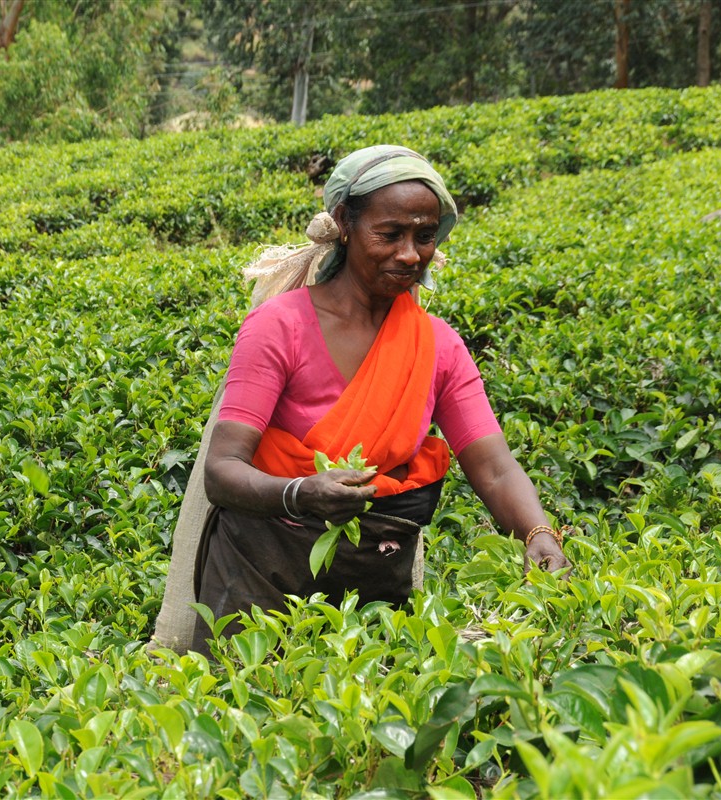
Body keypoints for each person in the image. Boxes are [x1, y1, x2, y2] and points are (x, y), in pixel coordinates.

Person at [190, 145, 571, 654]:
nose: (410, 253)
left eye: (424, 236)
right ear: (344, 223)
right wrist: (302, 493)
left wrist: (536, 532)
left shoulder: (437, 345)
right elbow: (223, 469)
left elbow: (494, 467)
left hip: (373, 581)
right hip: (262, 570)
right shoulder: (280, 327)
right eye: (390, 234)